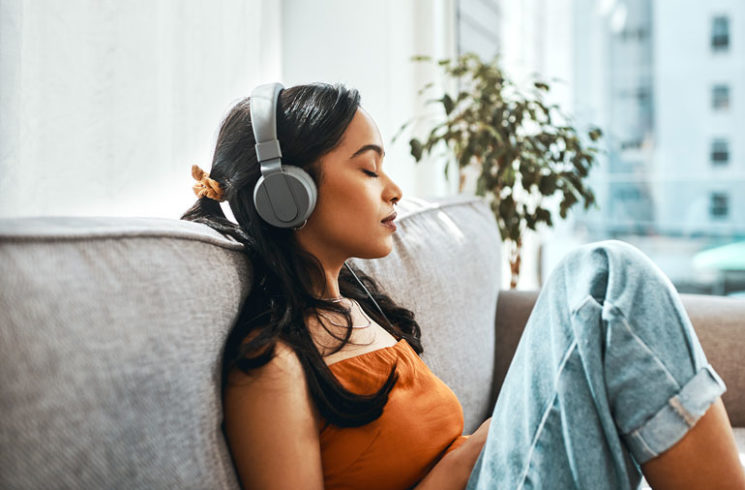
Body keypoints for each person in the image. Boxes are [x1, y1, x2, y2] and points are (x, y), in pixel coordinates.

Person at [181, 82, 745, 489]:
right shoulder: (271, 367)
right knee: (601, 279)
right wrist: (466, 459)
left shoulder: (360, 311)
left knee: (604, 281)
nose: (395, 189)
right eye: (370, 169)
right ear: (288, 196)